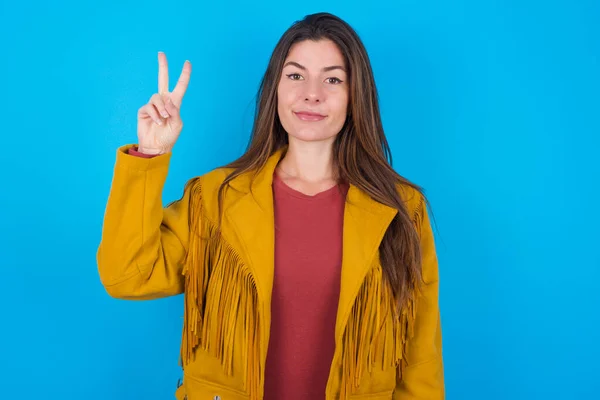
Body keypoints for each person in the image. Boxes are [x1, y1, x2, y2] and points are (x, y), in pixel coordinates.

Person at [97, 12, 444, 400]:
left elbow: (419, 357)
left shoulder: (401, 210)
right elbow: (128, 275)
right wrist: (149, 153)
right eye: (296, 76)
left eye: (332, 79)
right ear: (275, 88)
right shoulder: (214, 198)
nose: (312, 93)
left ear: (355, 95)